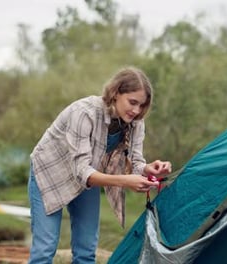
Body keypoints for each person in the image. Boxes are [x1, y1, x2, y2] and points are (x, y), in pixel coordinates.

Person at [27, 66, 172, 263]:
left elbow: (136, 162)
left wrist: (148, 169)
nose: (136, 110)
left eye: (142, 105)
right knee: (44, 251)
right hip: (50, 175)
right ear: (116, 93)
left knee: (86, 251)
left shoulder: (135, 121)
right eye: (132, 102)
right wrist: (124, 181)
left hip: (88, 177)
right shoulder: (84, 113)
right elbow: (82, 172)